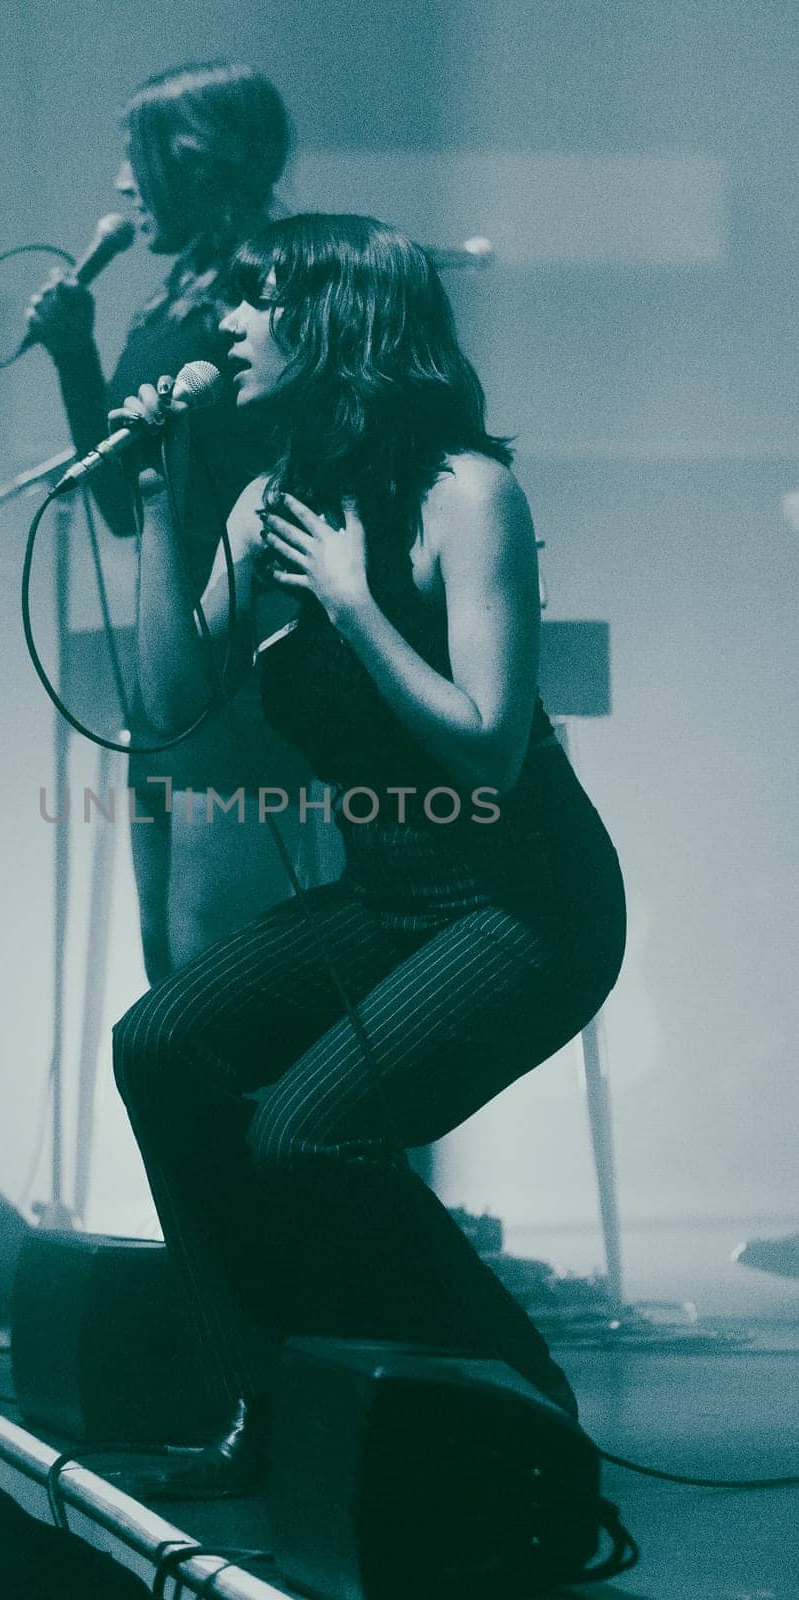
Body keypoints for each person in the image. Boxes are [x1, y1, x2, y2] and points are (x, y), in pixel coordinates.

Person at [103, 213, 627, 1499]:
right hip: (393, 895)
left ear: (333, 322)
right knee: (159, 1046)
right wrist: (162, 493)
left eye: (257, 303)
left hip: (525, 900)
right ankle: (262, 1401)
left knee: (306, 1139)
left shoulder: (465, 494)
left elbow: (488, 747)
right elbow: (167, 708)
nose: (229, 327)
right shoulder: (262, 500)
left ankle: (530, 1412)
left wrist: (349, 602)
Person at [25, 62, 313, 984]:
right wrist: (75, 353)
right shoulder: (172, 294)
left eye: (133, 153)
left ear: (193, 162)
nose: (119, 182)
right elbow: (117, 502)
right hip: (171, 661)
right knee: (170, 975)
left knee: (219, 969)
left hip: (245, 659)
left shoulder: (273, 285)